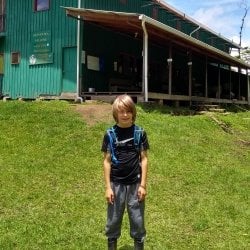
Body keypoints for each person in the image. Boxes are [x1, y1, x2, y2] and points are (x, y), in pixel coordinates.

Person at [101, 94, 149, 250]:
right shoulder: (110, 134)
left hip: (135, 185)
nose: (125, 115)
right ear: (116, 114)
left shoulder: (140, 133)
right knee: (113, 220)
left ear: (133, 113)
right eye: (121, 111)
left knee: (137, 220)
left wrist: (143, 185)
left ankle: (138, 245)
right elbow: (107, 161)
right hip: (116, 185)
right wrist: (108, 187)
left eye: (128, 111)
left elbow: (144, 159)